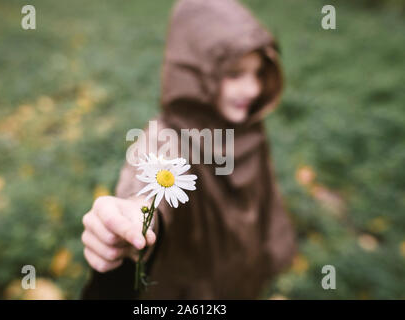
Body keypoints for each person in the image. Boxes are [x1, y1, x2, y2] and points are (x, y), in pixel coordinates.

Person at [81, 0, 296, 299]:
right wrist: (136, 215)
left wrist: (273, 247)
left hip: (243, 273)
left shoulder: (248, 126)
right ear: (196, 74)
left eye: (258, 73)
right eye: (235, 74)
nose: (252, 89)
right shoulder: (169, 137)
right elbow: (151, 179)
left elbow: (263, 197)